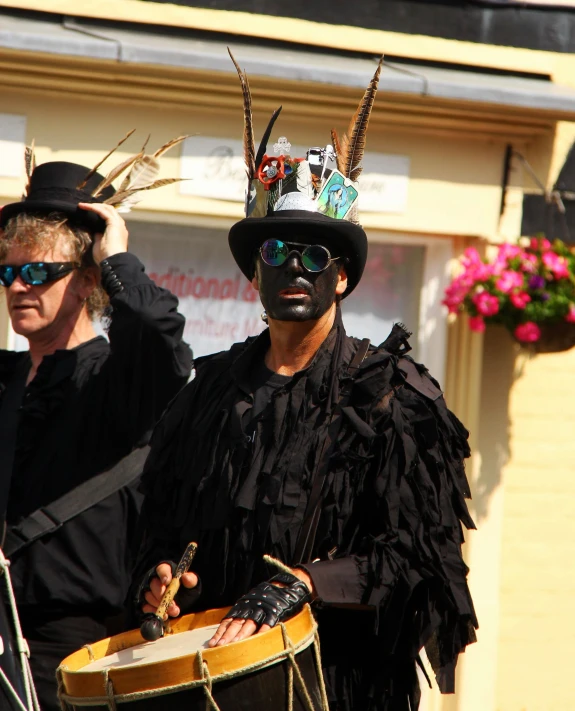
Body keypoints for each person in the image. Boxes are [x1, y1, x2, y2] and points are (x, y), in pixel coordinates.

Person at [132, 57, 477, 711]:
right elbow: (160, 526)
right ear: (252, 276)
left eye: (314, 255)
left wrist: (308, 582)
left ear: (341, 278)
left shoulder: (391, 397)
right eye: (275, 252)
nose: (294, 266)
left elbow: (421, 559)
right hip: (214, 684)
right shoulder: (207, 393)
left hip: (338, 688)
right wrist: (160, 577)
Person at [0, 146, 193, 710]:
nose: (17, 287)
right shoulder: (5, 376)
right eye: (8, 272)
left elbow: (159, 335)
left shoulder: (117, 381)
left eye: (38, 272)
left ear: (85, 281)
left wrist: (117, 258)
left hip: (82, 657)